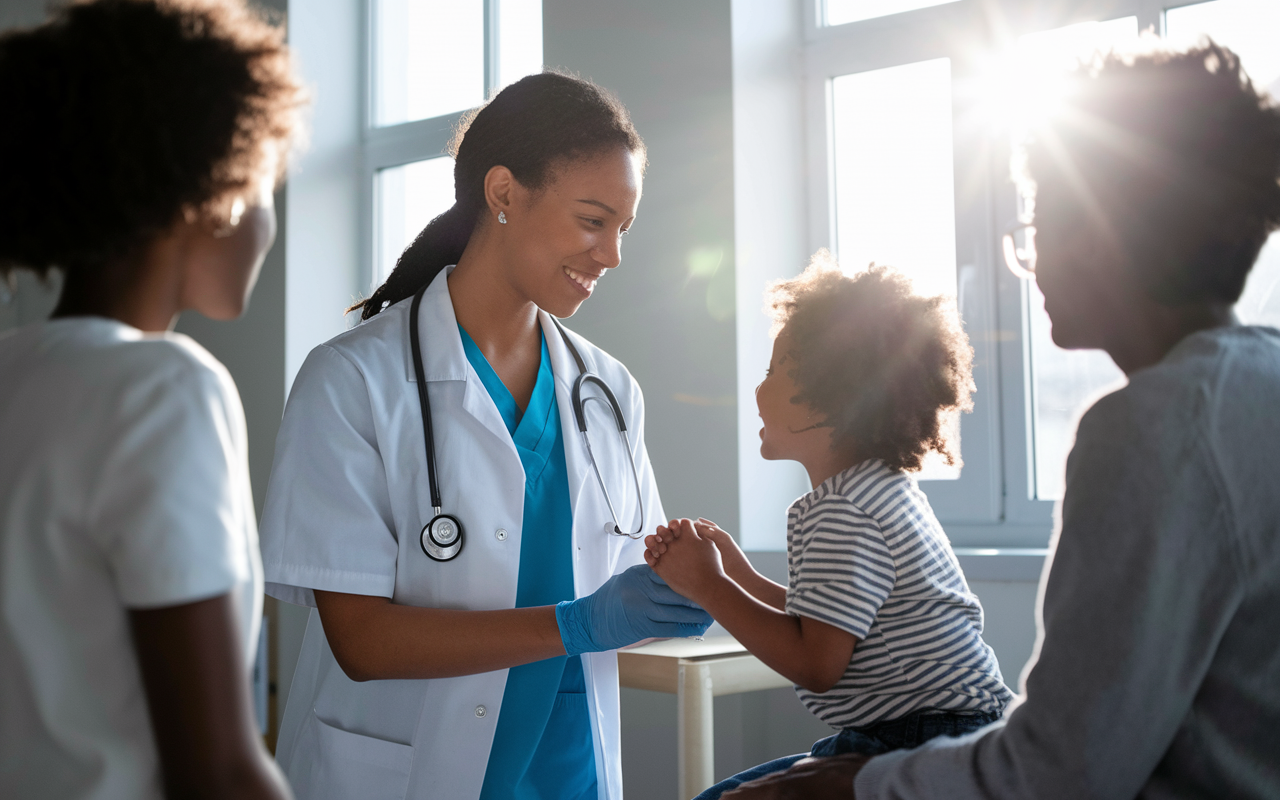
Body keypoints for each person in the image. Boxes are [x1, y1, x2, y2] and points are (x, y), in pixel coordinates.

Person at [725, 38, 1280, 800]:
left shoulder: (1153, 428)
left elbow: (1064, 769)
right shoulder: (1259, 382)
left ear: (1100, 233)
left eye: (1039, 226)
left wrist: (857, 786)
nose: (1033, 259)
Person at [258, 70, 712, 800]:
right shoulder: (352, 380)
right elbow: (362, 643)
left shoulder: (608, 390)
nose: (613, 256)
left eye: (623, 229)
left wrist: (682, 589)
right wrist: (576, 625)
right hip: (411, 775)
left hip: (571, 774)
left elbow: (621, 592)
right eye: (593, 220)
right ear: (503, 193)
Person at [0, 1, 304, 798]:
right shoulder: (165, 388)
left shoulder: (14, 372)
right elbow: (216, 770)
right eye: (267, 182)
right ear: (218, 190)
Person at [645, 258, 1012, 799]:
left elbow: (817, 664)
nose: (757, 390)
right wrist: (740, 574)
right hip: (958, 731)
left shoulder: (843, 509)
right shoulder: (878, 488)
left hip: (919, 738)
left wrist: (709, 585)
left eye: (773, 372)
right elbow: (830, 622)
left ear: (829, 395)